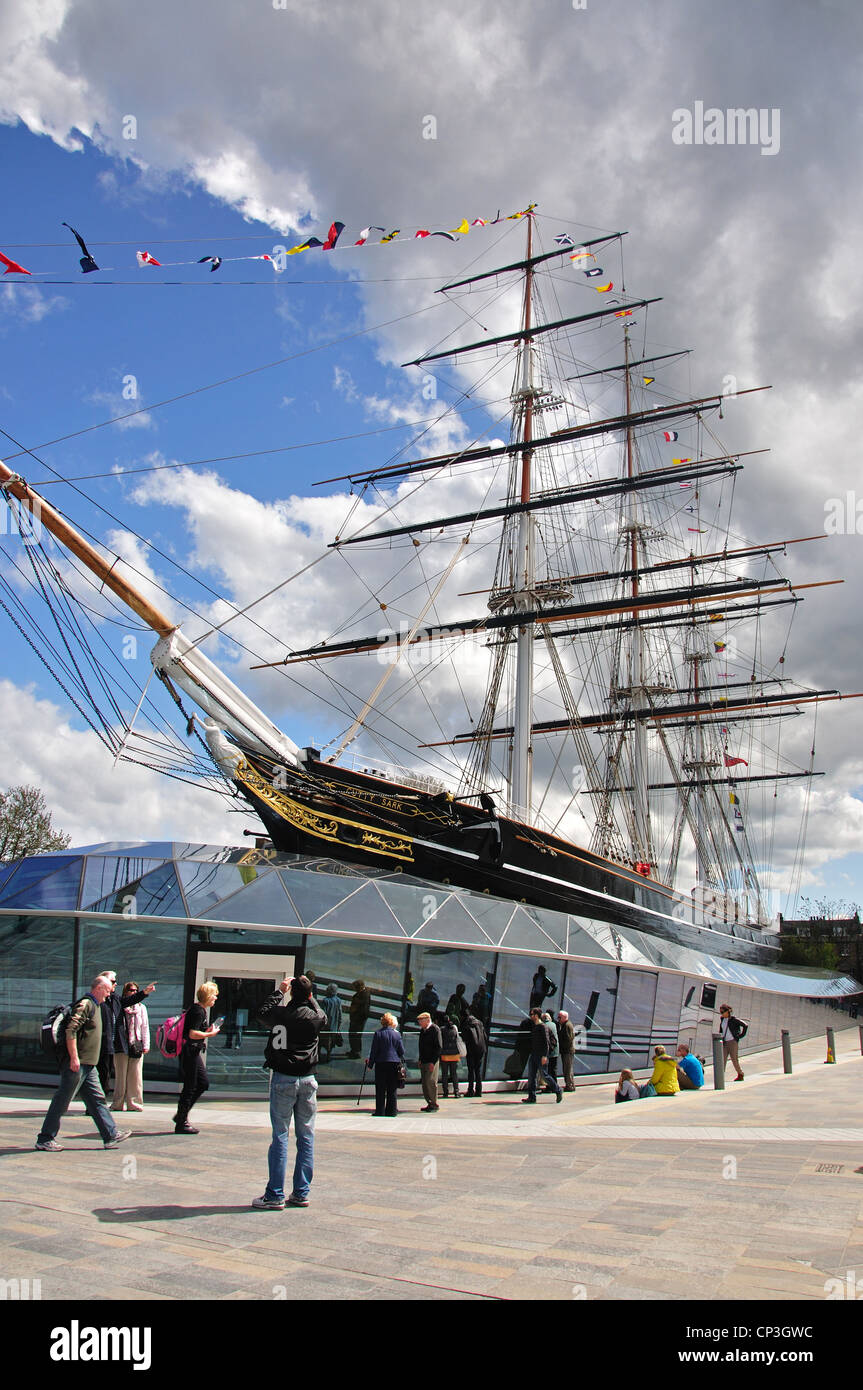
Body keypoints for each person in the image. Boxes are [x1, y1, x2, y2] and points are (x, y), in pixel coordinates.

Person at [252, 974, 325, 1209]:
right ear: (311, 996)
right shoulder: (316, 1017)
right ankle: (301, 1192)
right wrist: (309, 995)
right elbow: (322, 1013)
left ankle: (274, 1194)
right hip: (308, 1080)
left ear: (292, 993)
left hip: (284, 1078)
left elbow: (261, 1013)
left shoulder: (281, 1014)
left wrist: (280, 991)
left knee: (280, 1136)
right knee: (306, 1136)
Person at [36, 975, 132, 1150]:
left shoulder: (96, 1005)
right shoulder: (86, 1004)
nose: (109, 994)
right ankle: (45, 1138)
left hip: (88, 1064)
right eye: (108, 990)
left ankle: (110, 1135)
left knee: (97, 1100)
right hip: (77, 1064)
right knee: (62, 1100)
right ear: (99, 988)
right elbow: (71, 1030)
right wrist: (73, 1058)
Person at [174, 980, 221, 1134]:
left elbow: (194, 1030)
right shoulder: (198, 1011)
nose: (215, 998)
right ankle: (181, 1121)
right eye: (214, 995)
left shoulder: (199, 1010)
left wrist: (206, 1030)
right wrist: (210, 1034)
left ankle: (181, 1115)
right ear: (208, 996)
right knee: (191, 1086)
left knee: (202, 1083)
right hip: (190, 1051)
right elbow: (192, 1033)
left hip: (193, 1051)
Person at [97, 970, 156, 1095]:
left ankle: (98, 1103)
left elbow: (129, 1001)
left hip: (112, 1044)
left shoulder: (114, 999)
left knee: (105, 1074)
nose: (115, 984)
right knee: (100, 1075)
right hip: (100, 1044)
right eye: (113, 981)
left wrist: (144, 993)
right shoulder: (98, 1001)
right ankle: (97, 1104)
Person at [111, 981, 150, 1112]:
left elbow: (145, 1027)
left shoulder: (141, 1008)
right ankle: (118, 1103)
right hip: (121, 1044)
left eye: (135, 990)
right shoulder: (120, 1006)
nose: (133, 993)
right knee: (120, 1076)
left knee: (136, 1075)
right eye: (130, 990)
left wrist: (146, 1044)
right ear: (125, 992)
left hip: (136, 1043)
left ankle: (135, 1103)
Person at [366, 1011, 406, 1117]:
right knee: (392, 1088)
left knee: (380, 1088)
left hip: (381, 1063)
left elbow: (374, 1051)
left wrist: (370, 1064)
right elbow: (401, 1051)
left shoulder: (378, 1033)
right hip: (394, 1063)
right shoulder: (397, 1034)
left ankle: (380, 1111)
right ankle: (392, 1111)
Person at [522, 1008, 562, 1103]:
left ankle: (558, 1090)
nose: (530, 1016)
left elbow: (546, 1042)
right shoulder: (534, 1026)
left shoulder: (542, 1027)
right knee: (531, 1076)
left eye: (532, 1014)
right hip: (534, 1054)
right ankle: (532, 1097)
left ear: (536, 1015)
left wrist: (544, 1056)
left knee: (545, 1075)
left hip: (541, 1055)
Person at [417, 1010, 442, 1111]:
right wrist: (420, 1059)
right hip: (424, 1060)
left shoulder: (435, 1030)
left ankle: (434, 1103)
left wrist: (433, 1061)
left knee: (430, 1082)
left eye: (421, 1021)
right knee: (424, 1083)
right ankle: (429, 1102)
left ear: (427, 1020)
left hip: (432, 1061)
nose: (419, 1023)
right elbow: (421, 1046)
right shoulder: (423, 1030)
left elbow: (438, 1047)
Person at [462, 1008, 487, 1097]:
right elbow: (485, 1036)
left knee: (471, 1070)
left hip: (471, 1049)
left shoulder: (466, 1024)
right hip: (481, 1049)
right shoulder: (479, 1023)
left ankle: (470, 1090)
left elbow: (464, 1038)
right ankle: (479, 1091)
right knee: (478, 1070)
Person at [719, 1004, 746, 1081]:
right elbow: (721, 1030)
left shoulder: (733, 1020)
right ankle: (720, 1077)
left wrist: (739, 1036)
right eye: (720, 1012)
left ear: (728, 1011)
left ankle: (740, 1074)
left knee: (734, 1059)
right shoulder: (722, 1019)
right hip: (724, 1042)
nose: (721, 1013)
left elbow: (745, 1025)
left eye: (723, 1012)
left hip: (732, 1042)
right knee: (722, 1059)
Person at [346, 979, 371, 1058]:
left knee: (355, 1035)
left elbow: (363, 1010)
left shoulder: (363, 995)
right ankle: (354, 1050)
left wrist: (355, 1017)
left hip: (358, 1020)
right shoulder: (364, 994)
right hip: (357, 1018)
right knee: (354, 1035)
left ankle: (356, 1051)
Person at [439, 1015, 462, 1098]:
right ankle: (456, 1092)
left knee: (444, 1074)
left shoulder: (441, 1030)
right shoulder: (454, 1029)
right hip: (454, 1054)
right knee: (454, 1074)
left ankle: (446, 1092)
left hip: (445, 1055)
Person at [319, 983, 343, 1063]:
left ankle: (319, 1054)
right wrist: (339, 1025)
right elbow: (340, 1014)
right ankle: (328, 1055)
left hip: (326, 1026)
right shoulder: (338, 1000)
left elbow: (323, 1013)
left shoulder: (325, 1001)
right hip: (334, 1025)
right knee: (331, 1041)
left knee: (322, 1041)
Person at [557, 1010, 576, 1091]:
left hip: (567, 1051)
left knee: (567, 1069)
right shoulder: (565, 1025)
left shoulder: (567, 1025)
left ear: (564, 1017)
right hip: (567, 1051)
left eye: (559, 1017)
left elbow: (568, 1039)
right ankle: (570, 1084)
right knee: (568, 1068)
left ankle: (570, 1085)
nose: (558, 1019)